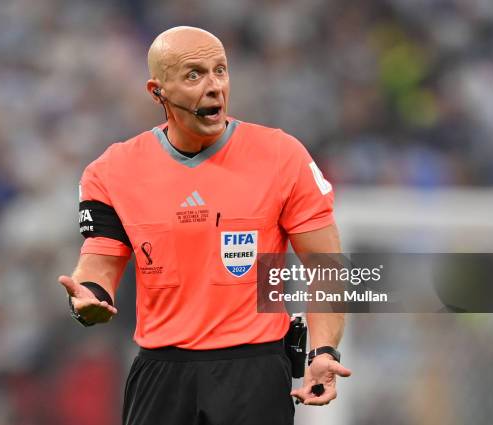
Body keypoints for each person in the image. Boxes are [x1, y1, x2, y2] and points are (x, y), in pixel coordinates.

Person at [58, 26, 352, 425]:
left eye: (220, 71)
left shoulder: (282, 157)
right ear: (157, 91)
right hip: (160, 371)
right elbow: (99, 264)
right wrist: (88, 297)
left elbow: (327, 267)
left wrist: (324, 352)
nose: (214, 86)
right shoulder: (112, 171)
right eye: (194, 75)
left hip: (254, 367)